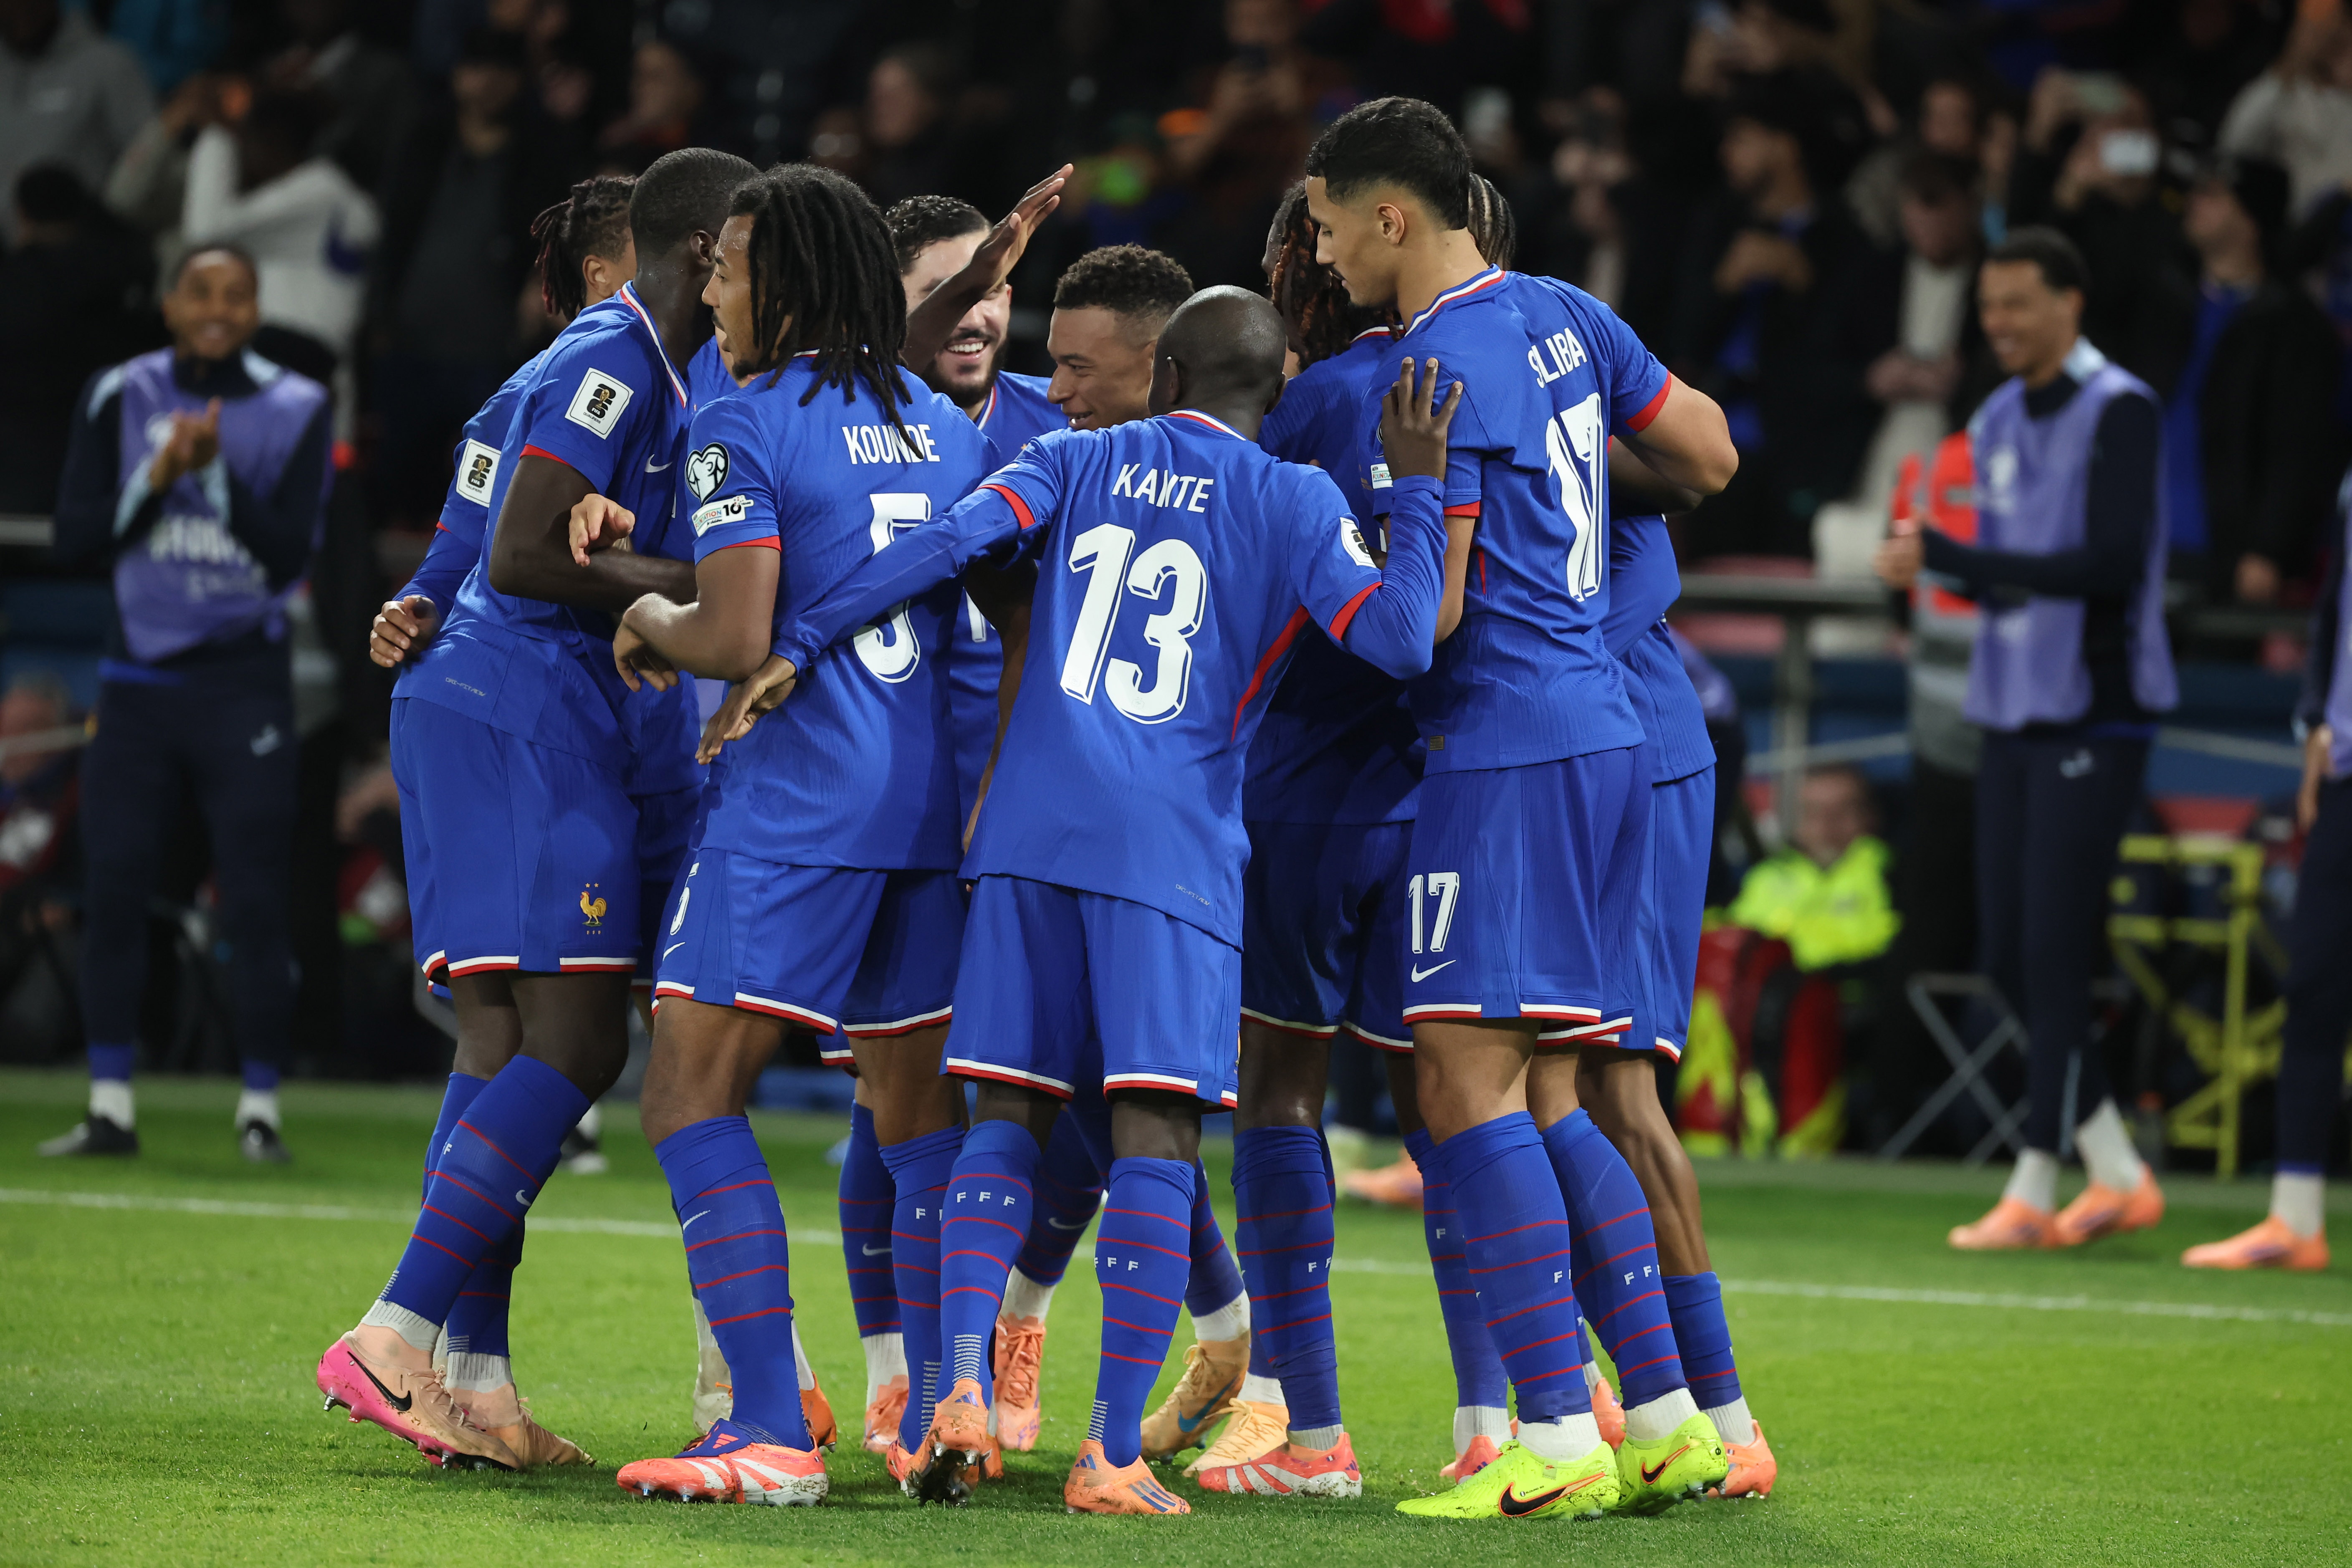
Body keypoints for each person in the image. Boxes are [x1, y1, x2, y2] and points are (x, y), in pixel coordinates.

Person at [721, 284, 1453, 1515]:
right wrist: (1421, 488)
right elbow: (1398, 644)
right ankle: (1111, 1450)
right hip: (1168, 854)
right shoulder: (1294, 497)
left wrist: (800, 643)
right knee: (1154, 1131)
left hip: (1025, 834)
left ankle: (962, 1387)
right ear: (1270, 396)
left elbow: (941, 547)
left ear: (1164, 374)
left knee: (1003, 1116)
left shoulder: (1069, 459)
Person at [1305, 94, 1738, 1519]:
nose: (1316, 253)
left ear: (1390, 214)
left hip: (1502, 744)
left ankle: (1554, 1434)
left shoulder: (1424, 373)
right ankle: (1670, 1415)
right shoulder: (1563, 312)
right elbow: (1713, 455)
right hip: (1611, 726)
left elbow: (1423, 622)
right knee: (1551, 1087)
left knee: (1455, 1082)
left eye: (1323, 222)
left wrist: (1407, 502)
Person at [314, 145, 755, 1475]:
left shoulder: (638, 371)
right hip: (521, 710)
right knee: (571, 1040)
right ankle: (396, 1330)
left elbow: (470, 533)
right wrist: (724, 580)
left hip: (542, 706)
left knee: (506, 1042)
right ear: (700, 255)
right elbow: (516, 548)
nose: (761, 279)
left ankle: (472, 1375)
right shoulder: (606, 359)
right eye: (750, 252)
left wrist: (437, 600)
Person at [592, 163, 987, 1509]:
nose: (711, 291)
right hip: (928, 804)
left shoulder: (741, 419)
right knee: (920, 1109)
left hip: (799, 797)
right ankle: (943, 1405)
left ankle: (764, 1424)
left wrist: (640, 622)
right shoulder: (941, 422)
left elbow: (735, 632)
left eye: (731, 268)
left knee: (689, 1088)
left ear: (788, 283)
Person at [1875, 226, 2177, 1253]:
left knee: (2050, 947)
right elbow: (1994, 568)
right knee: (2008, 956)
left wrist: (1949, 552)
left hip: (2093, 707)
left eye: (2015, 303)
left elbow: (2105, 561)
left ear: (2068, 303)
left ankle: (2034, 1182)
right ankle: (2120, 1170)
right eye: (1987, 306)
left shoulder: (2120, 411)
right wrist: (1923, 566)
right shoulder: (1997, 413)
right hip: (2005, 709)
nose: (1996, 322)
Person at [42, 244, 327, 1164]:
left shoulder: (297, 406)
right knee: (116, 888)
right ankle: (111, 1105)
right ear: (168, 305)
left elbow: (288, 557)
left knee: (253, 898)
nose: (217, 309)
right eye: (199, 292)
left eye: (236, 294)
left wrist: (211, 476)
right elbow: (77, 538)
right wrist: (156, 477)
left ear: (255, 308)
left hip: (241, 681)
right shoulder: (119, 394)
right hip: (137, 684)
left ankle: (261, 1112)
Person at [1575, 505, 1775, 1499]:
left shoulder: (1573, 364)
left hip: (1629, 747)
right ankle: (1589, 1388)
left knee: (1612, 1089)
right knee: (1501, 1084)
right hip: (1546, 748)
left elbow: (1704, 462)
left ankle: (1723, 1420)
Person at [2183, 463, 2352, 1273]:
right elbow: (2335, 607)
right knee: (2315, 983)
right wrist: (2318, 719)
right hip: (2347, 769)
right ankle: (2295, 1219)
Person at [2163, 156, 2342, 604]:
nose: (2196, 203)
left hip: (2220, 554)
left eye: (2216, 195)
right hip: (2133, 543)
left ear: (2251, 220)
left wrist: (2269, 548)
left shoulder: (2297, 328)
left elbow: (2299, 450)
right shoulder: (2166, 299)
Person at [0, 0, 153, 248]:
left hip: (82, 260)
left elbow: (152, 165)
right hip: (9, 267)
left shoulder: (109, 64)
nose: (18, 9)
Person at [1722, 764, 1899, 971]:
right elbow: (1729, 944)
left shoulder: (1894, 873)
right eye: (1813, 812)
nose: (1827, 824)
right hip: (1769, 997)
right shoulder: (1764, 877)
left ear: (1871, 816)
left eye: (1843, 811)